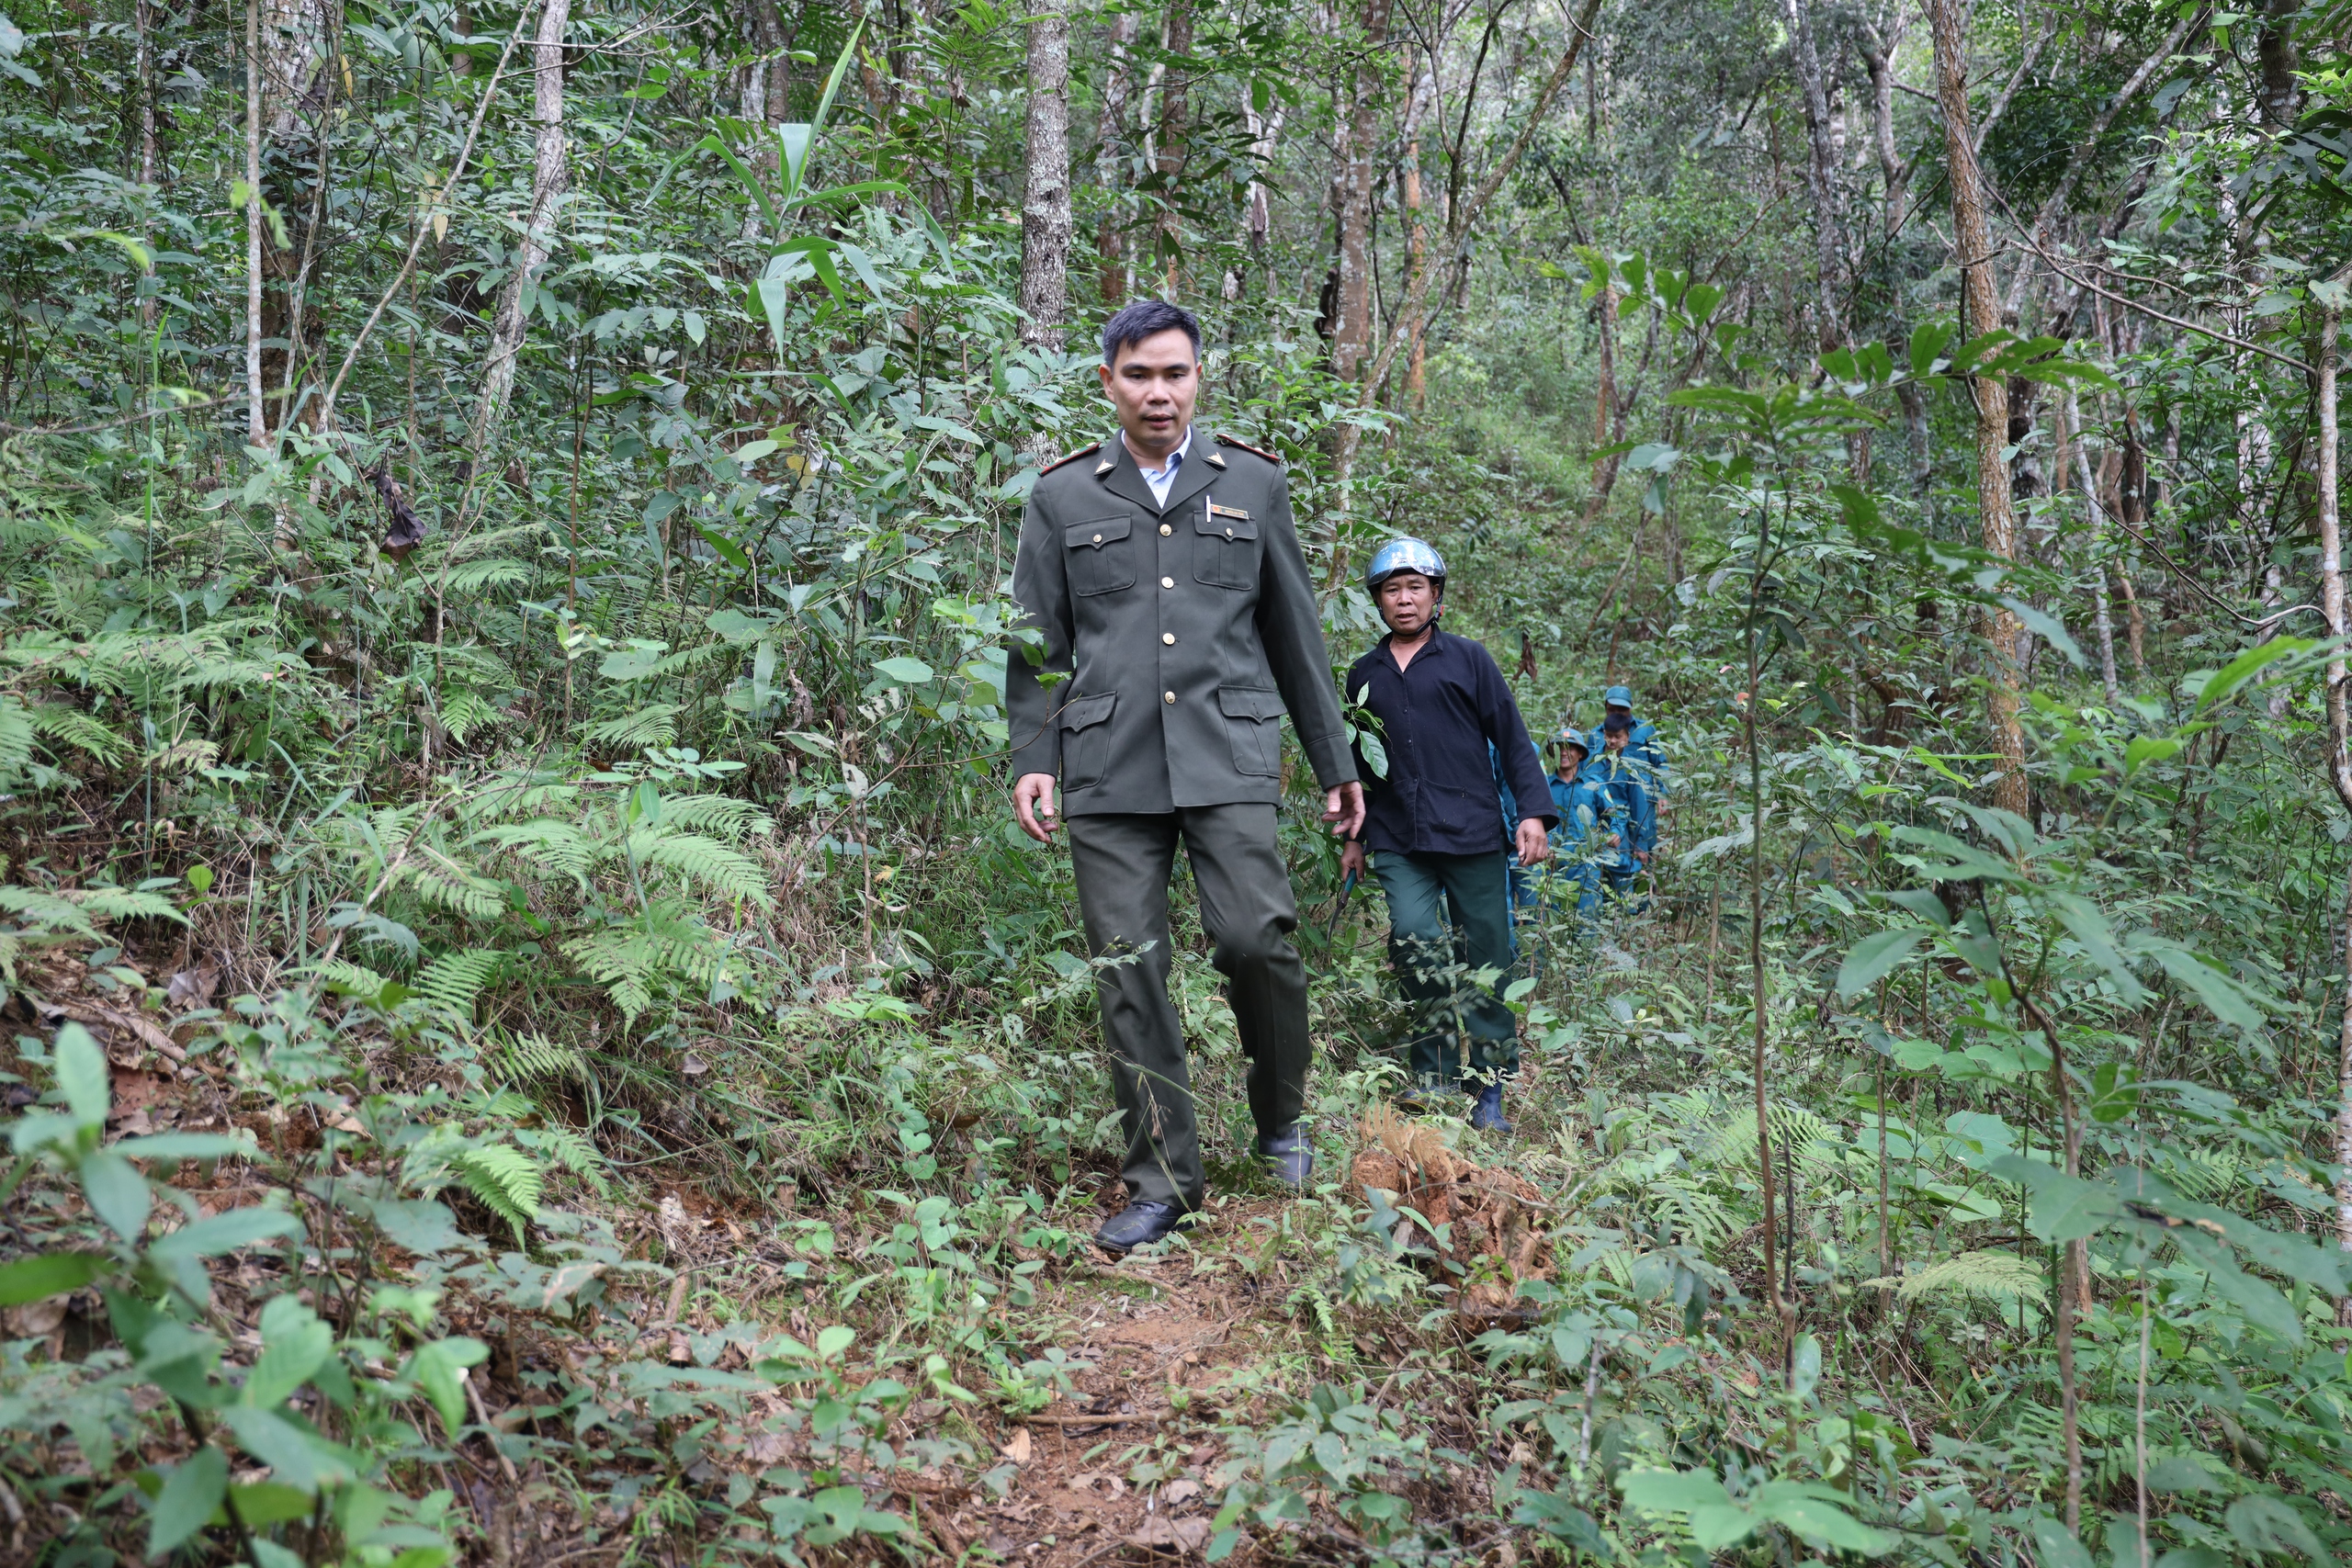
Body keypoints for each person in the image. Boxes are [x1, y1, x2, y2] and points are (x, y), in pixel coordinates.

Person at [1005, 300, 1365, 1257]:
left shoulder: (1250, 482)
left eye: (1173, 373)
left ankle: (1280, 1119)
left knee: (1257, 940)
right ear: (1107, 383)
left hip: (1228, 753)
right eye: (1137, 375)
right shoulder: (1062, 498)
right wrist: (1033, 759)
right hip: (1108, 763)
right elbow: (1036, 647)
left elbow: (1295, 638)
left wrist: (1336, 763)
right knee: (1129, 968)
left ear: (1199, 376)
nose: (1156, 393)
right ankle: (1162, 1179)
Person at [1338, 538, 1555, 1133]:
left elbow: (1512, 737)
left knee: (1489, 953)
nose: (1403, 599)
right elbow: (1359, 763)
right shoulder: (1365, 674)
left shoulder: (1469, 660)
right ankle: (1431, 1075)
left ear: (1435, 595)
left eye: (1414, 587)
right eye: (1391, 589)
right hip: (1397, 837)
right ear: (1378, 600)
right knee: (1414, 941)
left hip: (1473, 833)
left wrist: (1532, 812)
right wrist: (1352, 837)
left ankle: (1489, 1086)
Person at [1542, 727, 1614, 935]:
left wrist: (1612, 834)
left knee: (1587, 924)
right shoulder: (1544, 786)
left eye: (1570, 748)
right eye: (1559, 748)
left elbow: (1614, 816)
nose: (1564, 752)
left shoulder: (1593, 785)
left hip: (1586, 866)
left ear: (1580, 753)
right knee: (1554, 927)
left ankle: (1586, 966)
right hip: (1553, 866)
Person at [1588, 712, 1657, 907]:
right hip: (1594, 826)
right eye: (1608, 735)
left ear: (1627, 738)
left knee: (1622, 882)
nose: (1612, 741)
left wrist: (1640, 845)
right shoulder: (1593, 762)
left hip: (1623, 831)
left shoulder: (1631, 769)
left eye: (1617, 737)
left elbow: (1639, 807)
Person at [1600, 684, 1668, 793]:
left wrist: (1664, 792)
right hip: (1607, 796)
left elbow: (1660, 763)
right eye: (1612, 710)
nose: (1617, 714)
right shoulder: (1596, 734)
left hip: (1643, 793)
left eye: (1622, 709)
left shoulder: (1645, 730)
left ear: (1631, 706)